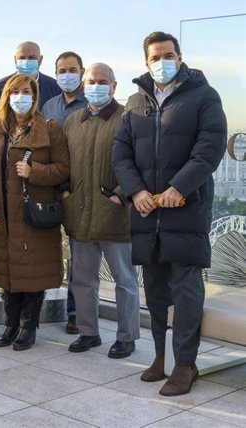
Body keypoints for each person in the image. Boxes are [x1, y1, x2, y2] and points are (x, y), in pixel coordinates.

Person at [113, 31, 227, 396]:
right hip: (148, 213)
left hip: (185, 209)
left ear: (179, 56)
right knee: (155, 289)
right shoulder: (134, 102)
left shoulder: (203, 96)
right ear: (146, 62)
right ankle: (159, 358)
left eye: (168, 55)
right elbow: (121, 153)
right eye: (155, 57)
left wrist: (180, 187)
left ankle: (185, 364)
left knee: (187, 290)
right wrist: (136, 191)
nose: (162, 62)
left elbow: (210, 147)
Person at [0, 73, 69, 351]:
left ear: (35, 96)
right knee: (6, 275)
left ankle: (29, 327)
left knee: (32, 275)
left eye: (27, 91)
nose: (21, 97)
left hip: (32, 216)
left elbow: (64, 170)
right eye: (16, 92)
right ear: (6, 96)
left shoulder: (50, 129)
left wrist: (34, 171)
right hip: (1, 216)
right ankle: (10, 324)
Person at [63, 63, 140, 359]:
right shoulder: (73, 121)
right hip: (79, 214)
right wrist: (66, 193)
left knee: (124, 279)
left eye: (103, 81)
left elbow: (139, 162)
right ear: (84, 85)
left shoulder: (128, 119)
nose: (96, 85)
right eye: (92, 81)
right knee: (82, 278)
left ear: (114, 86)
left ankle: (127, 336)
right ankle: (88, 332)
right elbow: (63, 162)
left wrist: (122, 195)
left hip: (115, 214)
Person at [42, 51, 88, 334]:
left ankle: (75, 312)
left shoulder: (91, 105)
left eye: (72, 69)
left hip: (80, 192)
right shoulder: (49, 106)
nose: (67, 75)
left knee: (79, 257)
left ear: (82, 72)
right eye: (62, 70)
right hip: (50, 189)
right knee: (44, 248)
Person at [0, 41, 60, 125]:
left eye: (32, 58)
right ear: (15, 60)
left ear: (40, 59)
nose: (26, 62)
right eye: (22, 58)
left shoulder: (55, 86)